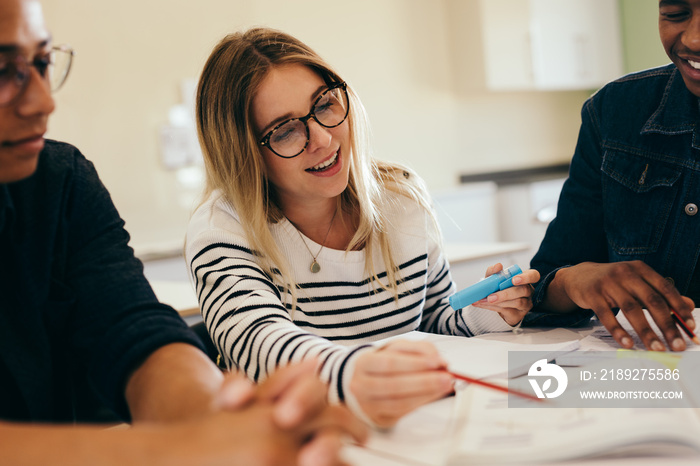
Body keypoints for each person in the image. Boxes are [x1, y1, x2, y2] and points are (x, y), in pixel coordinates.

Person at [0, 0, 365, 464]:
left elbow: (134, 334)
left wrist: (221, 418)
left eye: (42, 62)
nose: (43, 101)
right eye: (3, 71)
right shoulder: (222, 229)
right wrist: (177, 447)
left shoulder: (59, 183)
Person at [185, 27, 540, 428]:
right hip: (297, 441)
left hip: (409, 432)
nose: (322, 137)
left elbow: (433, 323)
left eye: (324, 104)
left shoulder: (400, 197)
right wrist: (358, 374)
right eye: (284, 131)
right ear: (244, 154)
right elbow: (263, 347)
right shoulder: (222, 228)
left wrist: (493, 313)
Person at [528, 0, 700, 353]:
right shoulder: (614, 110)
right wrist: (576, 279)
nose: (694, 40)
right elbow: (546, 284)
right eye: (675, 14)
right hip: (637, 380)